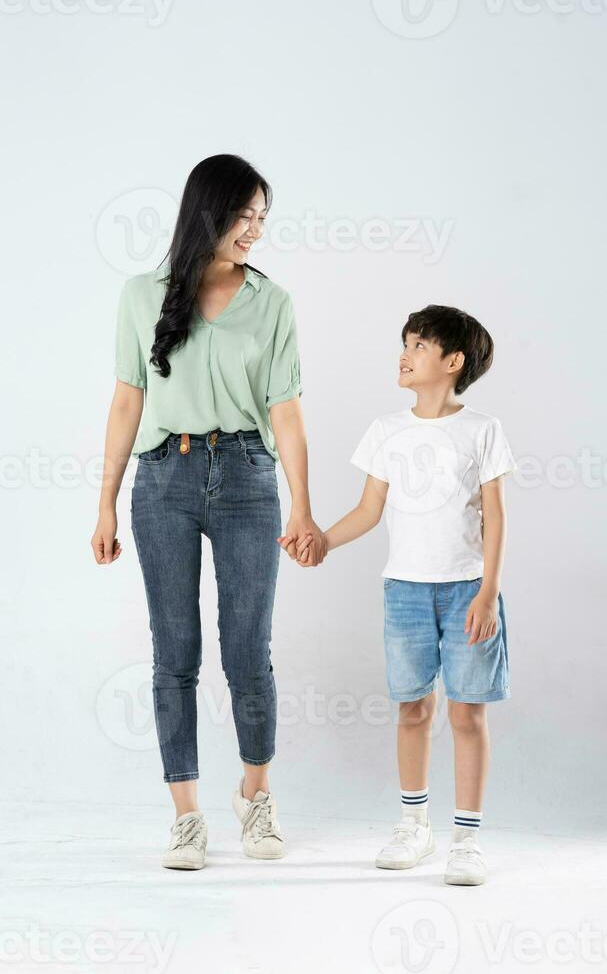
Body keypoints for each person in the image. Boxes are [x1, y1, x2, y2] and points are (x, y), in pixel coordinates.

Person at [91, 154, 327, 870]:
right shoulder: (142, 295)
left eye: (262, 217)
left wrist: (305, 508)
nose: (254, 229)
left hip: (250, 478)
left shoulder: (273, 301)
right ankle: (186, 814)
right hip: (162, 481)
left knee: (248, 651)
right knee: (175, 653)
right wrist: (102, 502)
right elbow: (127, 399)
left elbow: (286, 411)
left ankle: (256, 797)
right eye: (243, 214)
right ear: (207, 211)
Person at [279, 305, 518, 885]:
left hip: (466, 589)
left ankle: (467, 837)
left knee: (467, 712)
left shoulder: (482, 430)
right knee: (413, 709)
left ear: (452, 361)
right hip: (405, 590)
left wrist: (488, 592)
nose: (404, 354)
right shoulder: (386, 431)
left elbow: (495, 516)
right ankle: (415, 826)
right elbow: (369, 510)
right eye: (404, 343)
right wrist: (323, 542)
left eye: (417, 345)